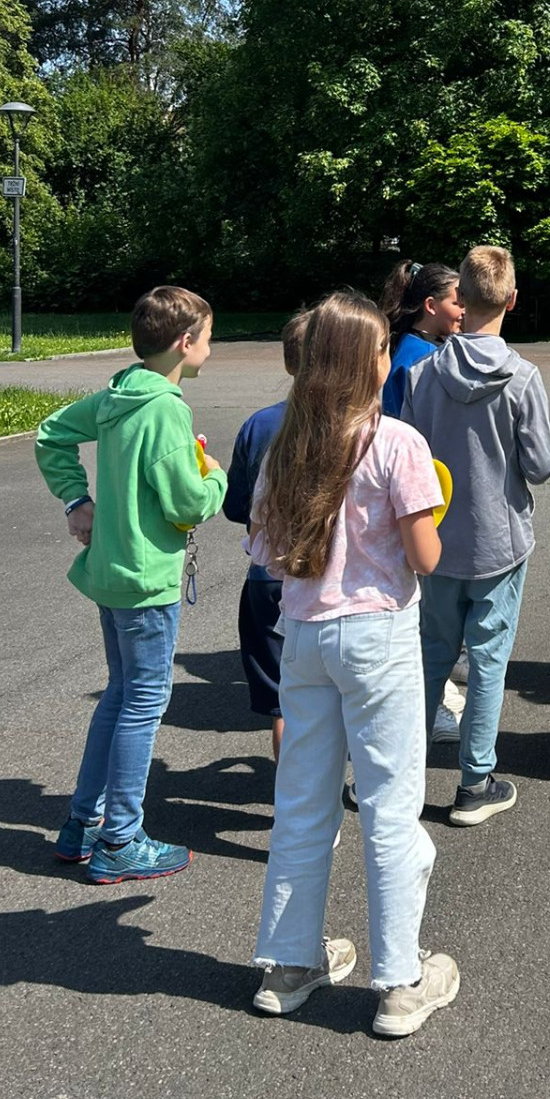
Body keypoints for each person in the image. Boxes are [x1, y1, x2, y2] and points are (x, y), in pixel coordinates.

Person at [249, 290, 459, 1037]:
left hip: (304, 635)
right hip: (378, 635)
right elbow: (425, 557)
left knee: (303, 802)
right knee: (390, 806)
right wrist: (430, 513)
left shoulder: (288, 446)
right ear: (366, 362)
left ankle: (288, 963)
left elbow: (265, 551)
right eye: (381, 349)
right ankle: (400, 979)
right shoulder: (396, 442)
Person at [35, 284, 227, 884]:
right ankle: (120, 837)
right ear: (185, 342)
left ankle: (83, 823)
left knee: (121, 694)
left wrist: (77, 499)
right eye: (209, 338)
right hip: (146, 581)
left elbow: (51, 432)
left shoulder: (119, 392)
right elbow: (187, 503)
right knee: (144, 701)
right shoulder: (167, 408)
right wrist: (215, 476)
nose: (210, 348)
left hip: (113, 574)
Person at [402, 245, 550, 826]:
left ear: (460, 298)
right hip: (498, 540)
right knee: (488, 661)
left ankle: (401, 774)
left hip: (436, 539)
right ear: (512, 300)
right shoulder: (522, 377)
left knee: (430, 656)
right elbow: (540, 465)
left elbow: (407, 458)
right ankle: (474, 782)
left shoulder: (421, 374)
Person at [378, 258, 468, 745]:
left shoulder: (415, 350)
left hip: (416, 490)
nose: (464, 309)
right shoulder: (418, 360)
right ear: (430, 306)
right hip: (417, 495)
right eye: (457, 300)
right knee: (421, 610)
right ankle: (429, 708)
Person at [224, 308, 311, 761]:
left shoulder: (259, 424)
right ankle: (335, 787)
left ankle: (292, 794)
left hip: (267, 575)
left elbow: (235, 505)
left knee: (283, 703)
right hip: (329, 579)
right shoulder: (354, 424)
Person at [378, 259, 463, 419]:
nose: (464, 311)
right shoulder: (426, 357)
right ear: (431, 306)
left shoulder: (407, 343)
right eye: (458, 304)